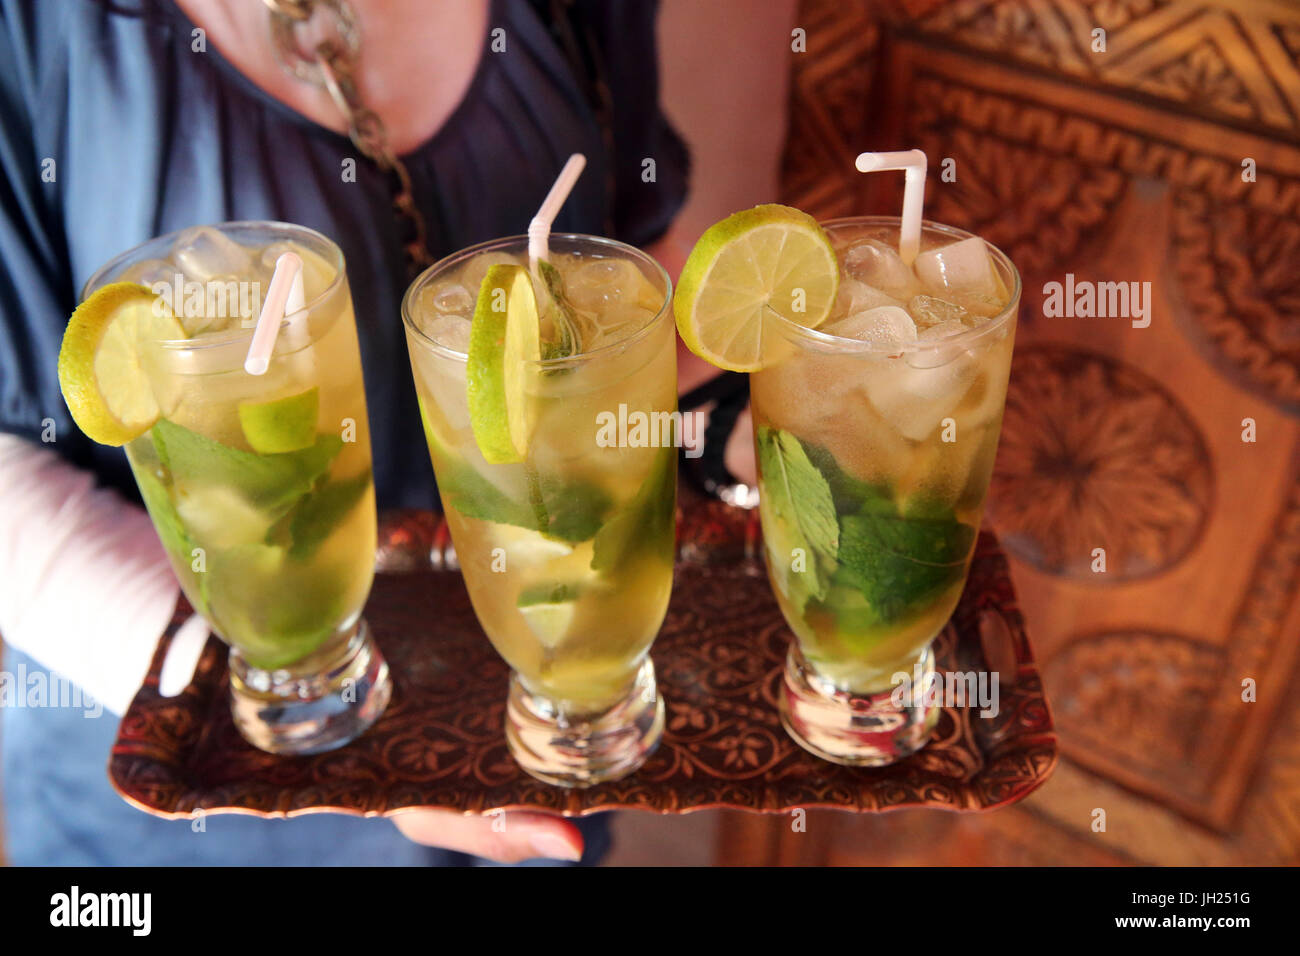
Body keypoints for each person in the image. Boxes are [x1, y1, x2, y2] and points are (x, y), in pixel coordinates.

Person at [0, 0, 691, 866]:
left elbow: (634, 283)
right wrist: (267, 672)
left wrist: (743, 442)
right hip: (187, 794)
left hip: (538, 703)